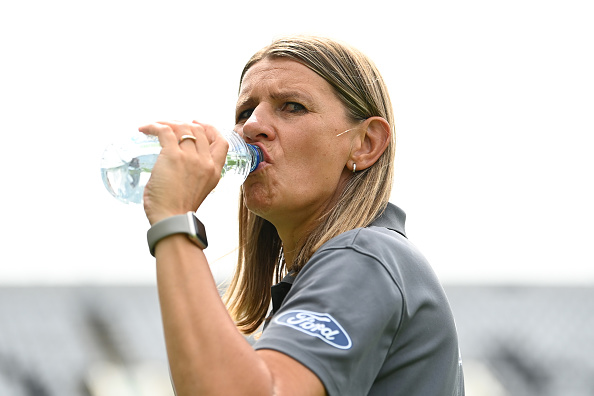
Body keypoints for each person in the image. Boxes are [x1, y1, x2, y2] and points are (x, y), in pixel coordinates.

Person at [139, 35, 465, 396]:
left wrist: (174, 221)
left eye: (292, 107)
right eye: (245, 112)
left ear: (366, 143)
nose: (250, 127)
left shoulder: (363, 257)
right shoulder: (348, 264)